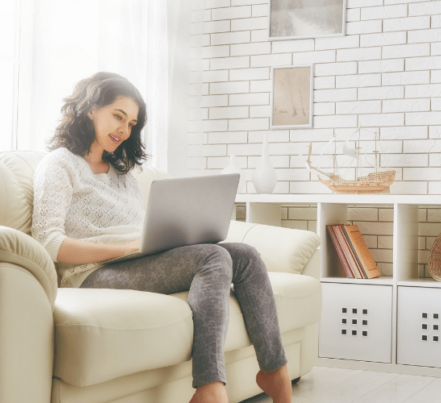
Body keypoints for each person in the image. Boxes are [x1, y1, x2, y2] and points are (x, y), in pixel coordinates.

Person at [31, 72, 293, 403]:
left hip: (138, 258)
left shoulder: (122, 173)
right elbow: (48, 243)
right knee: (213, 257)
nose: (124, 130)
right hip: (92, 273)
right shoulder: (58, 165)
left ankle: (274, 370)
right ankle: (209, 387)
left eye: (131, 123)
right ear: (89, 110)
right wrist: (121, 249)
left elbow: (140, 228)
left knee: (245, 254)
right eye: (118, 116)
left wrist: (173, 237)